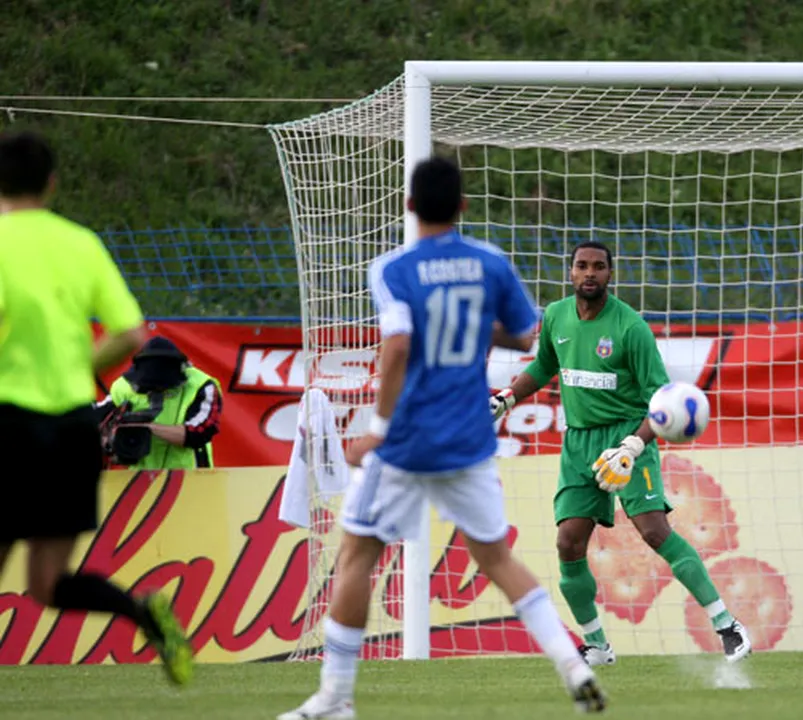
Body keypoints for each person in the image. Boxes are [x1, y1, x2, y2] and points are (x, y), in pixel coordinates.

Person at [279, 157, 605, 720]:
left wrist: (375, 432)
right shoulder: (490, 262)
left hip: (408, 442)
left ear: (409, 205)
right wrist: (478, 322)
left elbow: (399, 346)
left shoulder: (393, 268)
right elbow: (526, 332)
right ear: (463, 207)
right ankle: (570, 662)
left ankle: (335, 697)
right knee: (498, 557)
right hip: (470, 442)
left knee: (358, 553)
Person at [491, 241, 751, 667]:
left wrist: (631, 446)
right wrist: (506, 397)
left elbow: (661, 402)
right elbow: (543, 366)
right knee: (568, 542)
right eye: (581, 266)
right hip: (579, 444)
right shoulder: (556, 315)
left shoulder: (631, 328)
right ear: (570, 272)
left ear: (610, 274)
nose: (589, 273)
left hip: (629, 439)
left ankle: (727, 625)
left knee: (653, 531)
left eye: (598, 267)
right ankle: (597, 646)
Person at [0, 130, 192, 683]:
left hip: (10, 424)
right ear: (52, 184)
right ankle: (144, 614)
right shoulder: (80, 243)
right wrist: (78, 365)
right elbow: (132, 333)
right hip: (70, 429)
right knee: (48, 583)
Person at [96, 336, 222, 469]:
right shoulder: (123, 386)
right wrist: (107, 439)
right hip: (138, 479)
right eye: (149, 388)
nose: (157, 390)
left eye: (163, 388)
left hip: (190, 477)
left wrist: (148, 428)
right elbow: (96, 418)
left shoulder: (202, 386)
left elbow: (200, 433)